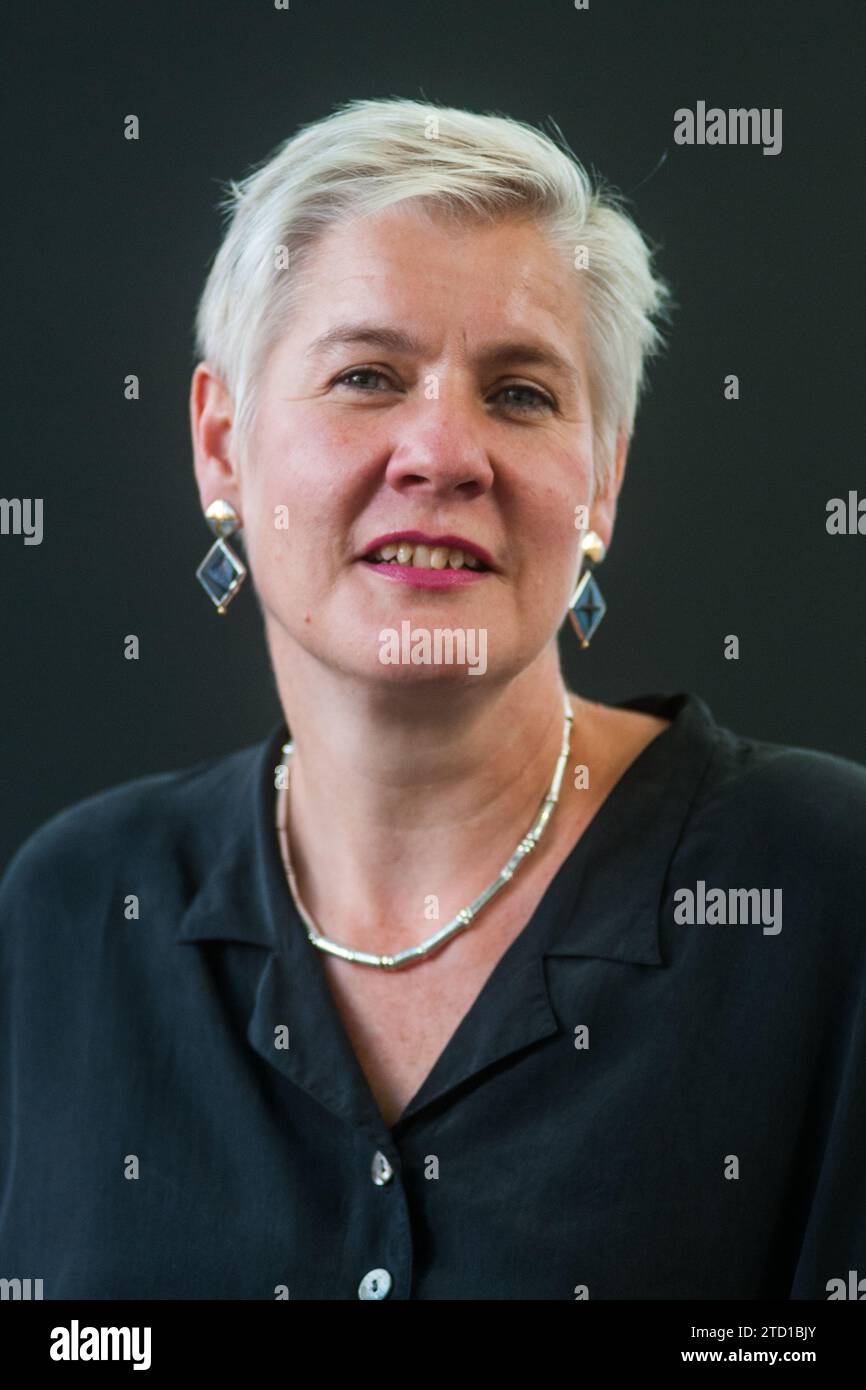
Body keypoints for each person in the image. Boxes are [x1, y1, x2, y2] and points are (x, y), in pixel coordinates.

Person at [1, 97, 864, 1301]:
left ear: (600, 479)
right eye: (366, 374)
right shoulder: (74, 909)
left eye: (519, 393)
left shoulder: (820, 887)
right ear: (220, 447)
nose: (443, 453)